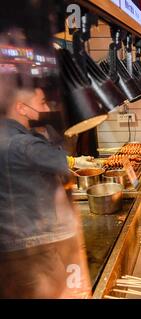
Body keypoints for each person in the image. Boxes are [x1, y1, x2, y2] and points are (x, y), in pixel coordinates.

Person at [0, 86, 91, 298]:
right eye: (41, 103)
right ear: (22, 108)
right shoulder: (25, 143)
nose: (46, 107)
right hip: (32, 244)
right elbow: (64, 166)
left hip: (8, 244)